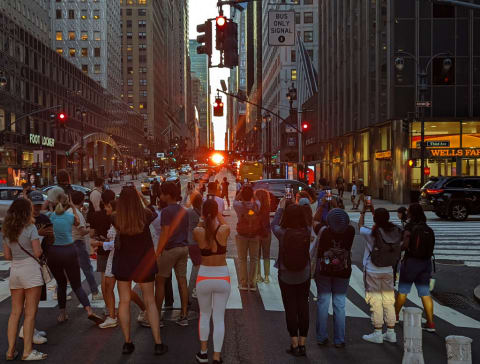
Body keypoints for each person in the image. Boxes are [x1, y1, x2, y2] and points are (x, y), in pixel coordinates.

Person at [112, 186, 167, 355]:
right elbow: (153, 210)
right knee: (150, 301)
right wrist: (142, 197)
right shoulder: (146, 215)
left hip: (123, 262)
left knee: (124, 301)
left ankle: (127, 342)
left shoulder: (115, 218)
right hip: (144, 261)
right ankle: (158, 343)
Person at [45, 190, 103, 325]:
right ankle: (89, 310)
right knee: (77, 284)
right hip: (69, 250)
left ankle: (62, 313)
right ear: (68, 203)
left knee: (61, 283)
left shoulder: (51, 216)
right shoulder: (70, 217)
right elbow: (80, 225)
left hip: (54, 253)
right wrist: (73, 208)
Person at [2, 198, 47, 361]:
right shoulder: (30, 228)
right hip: (30, 270)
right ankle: (27, 351)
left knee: (15, 313)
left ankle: (10, 350)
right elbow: (37, 252)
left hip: (15, 270)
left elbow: (7, 255)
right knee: (30, 313)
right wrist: (39, 246)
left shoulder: (7, 230)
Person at [271, 200, 312, 357]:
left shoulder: (282, 232)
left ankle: (294, 343)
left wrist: (280, 209)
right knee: (303, 306)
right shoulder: (307, 231)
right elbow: (310, 221)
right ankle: (303, 344)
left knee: (290, 308)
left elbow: (273, 225)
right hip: (304, 272)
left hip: (286, 272)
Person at [193, 199, 231, 364]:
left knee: (204, 315)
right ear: (216, 212)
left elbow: (200, 226)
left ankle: (203, 353)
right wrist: (218, 215)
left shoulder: (198, 231)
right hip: (222, 276)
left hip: (204, 277)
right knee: (219, 318)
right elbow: (223, 223)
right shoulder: (224, 230)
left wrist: (203, 217)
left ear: (203, 212)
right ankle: (216, 356)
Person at [359, 206, 401, 344]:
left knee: (376, 301)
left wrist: (364, 211)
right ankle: (391, 332)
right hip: (389, 269)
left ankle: (377, 331)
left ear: (374, 219)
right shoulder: (394, 231)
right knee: (389, 300)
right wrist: (374, 211)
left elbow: (360, 226)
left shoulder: (372, 233)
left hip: (373, 269)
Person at [315, 208, 355, 348]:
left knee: (323, 303)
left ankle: (321, 336)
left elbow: (315, 221)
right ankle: (339, 339)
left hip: (325, 270)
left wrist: (325, 204)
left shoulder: (324, 231)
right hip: (343, 270)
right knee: (340, 304)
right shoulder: (350, 231)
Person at [395, 203, 436, 332]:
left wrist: (398, 249)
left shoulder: (410, 226)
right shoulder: (427, 228)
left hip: (411, 262)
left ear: (411, 213)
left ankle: (394, 316)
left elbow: (405, 244)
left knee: (403, 291)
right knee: (425, 293)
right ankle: (430, 323)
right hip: (425, 263)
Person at [156, 181, 190, 326]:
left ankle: (157, 316)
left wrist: (158, 252)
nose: (160, 196)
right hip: (183, 248)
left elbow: (165, 233)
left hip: (170, 249)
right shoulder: (184, 210)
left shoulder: (166, 211)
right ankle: (183, 315)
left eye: (162, 193)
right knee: (182, 281)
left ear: (168, 195)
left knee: (160, 282)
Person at [88, 189, 117, 327]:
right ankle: (113, 311)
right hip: (116, 253)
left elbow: (92, 233)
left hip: (103, 252)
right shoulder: (120, 216)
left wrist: (99, 242)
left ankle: (109, 309)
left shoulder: (96, 215)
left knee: (106, 285)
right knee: (115, 285)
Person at [69, 191, 101, 301]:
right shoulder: (76, 213)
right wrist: (90, 231)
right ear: (82, 201)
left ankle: (58, 291)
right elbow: (82, 231)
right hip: (78, 242)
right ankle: (95, 292)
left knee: (68, 270)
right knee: (87, 268)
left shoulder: (69, 211)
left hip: (69, 243)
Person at [233, 185, 260, 291]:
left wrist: (241, 193)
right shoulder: (256, 205)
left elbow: (235, 199)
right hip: (254, 235)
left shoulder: (238, 205)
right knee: (254, 259)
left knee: (242, 259)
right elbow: (257, 199)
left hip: (242, 235)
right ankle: (252, 284)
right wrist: (252, 194)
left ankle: (243, 283)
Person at [187, 191, 203, 298]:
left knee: (197, 266)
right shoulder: (203, 212)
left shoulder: (189, 213)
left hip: (192, 242)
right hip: (202, 241)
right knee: (202, 265)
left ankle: (199, 289)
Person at [254, 189, 272, 284]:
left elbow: (249, 215)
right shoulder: (268, 207)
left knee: (257, 255)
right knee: (266, 255)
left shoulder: (254, 208)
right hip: (266, 232)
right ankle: (266, 277)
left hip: (256, 233)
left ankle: (258, 275)